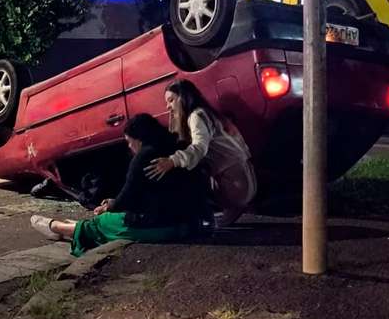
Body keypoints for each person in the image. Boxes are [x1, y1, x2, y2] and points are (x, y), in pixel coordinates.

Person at [30, 113, 204, 257]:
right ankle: (75, 227)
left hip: (164, 226)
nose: (129, 146)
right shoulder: (175, 147)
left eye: (129, 141)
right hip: (189, 221)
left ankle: (58, 227)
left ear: (139, 139)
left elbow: (128, 196)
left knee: (102, 222)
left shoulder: (144, 157)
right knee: (108, 219)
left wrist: (110, 206)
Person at [145, 79, 256, 227]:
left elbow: (199, 147)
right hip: (243, 177)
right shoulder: (206, 113)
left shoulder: (196, 116)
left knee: (186, 170)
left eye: (171, 100)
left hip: (236, 182)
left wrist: (172, 161)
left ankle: (193, 217)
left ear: (183, 98)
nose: (168, 106)